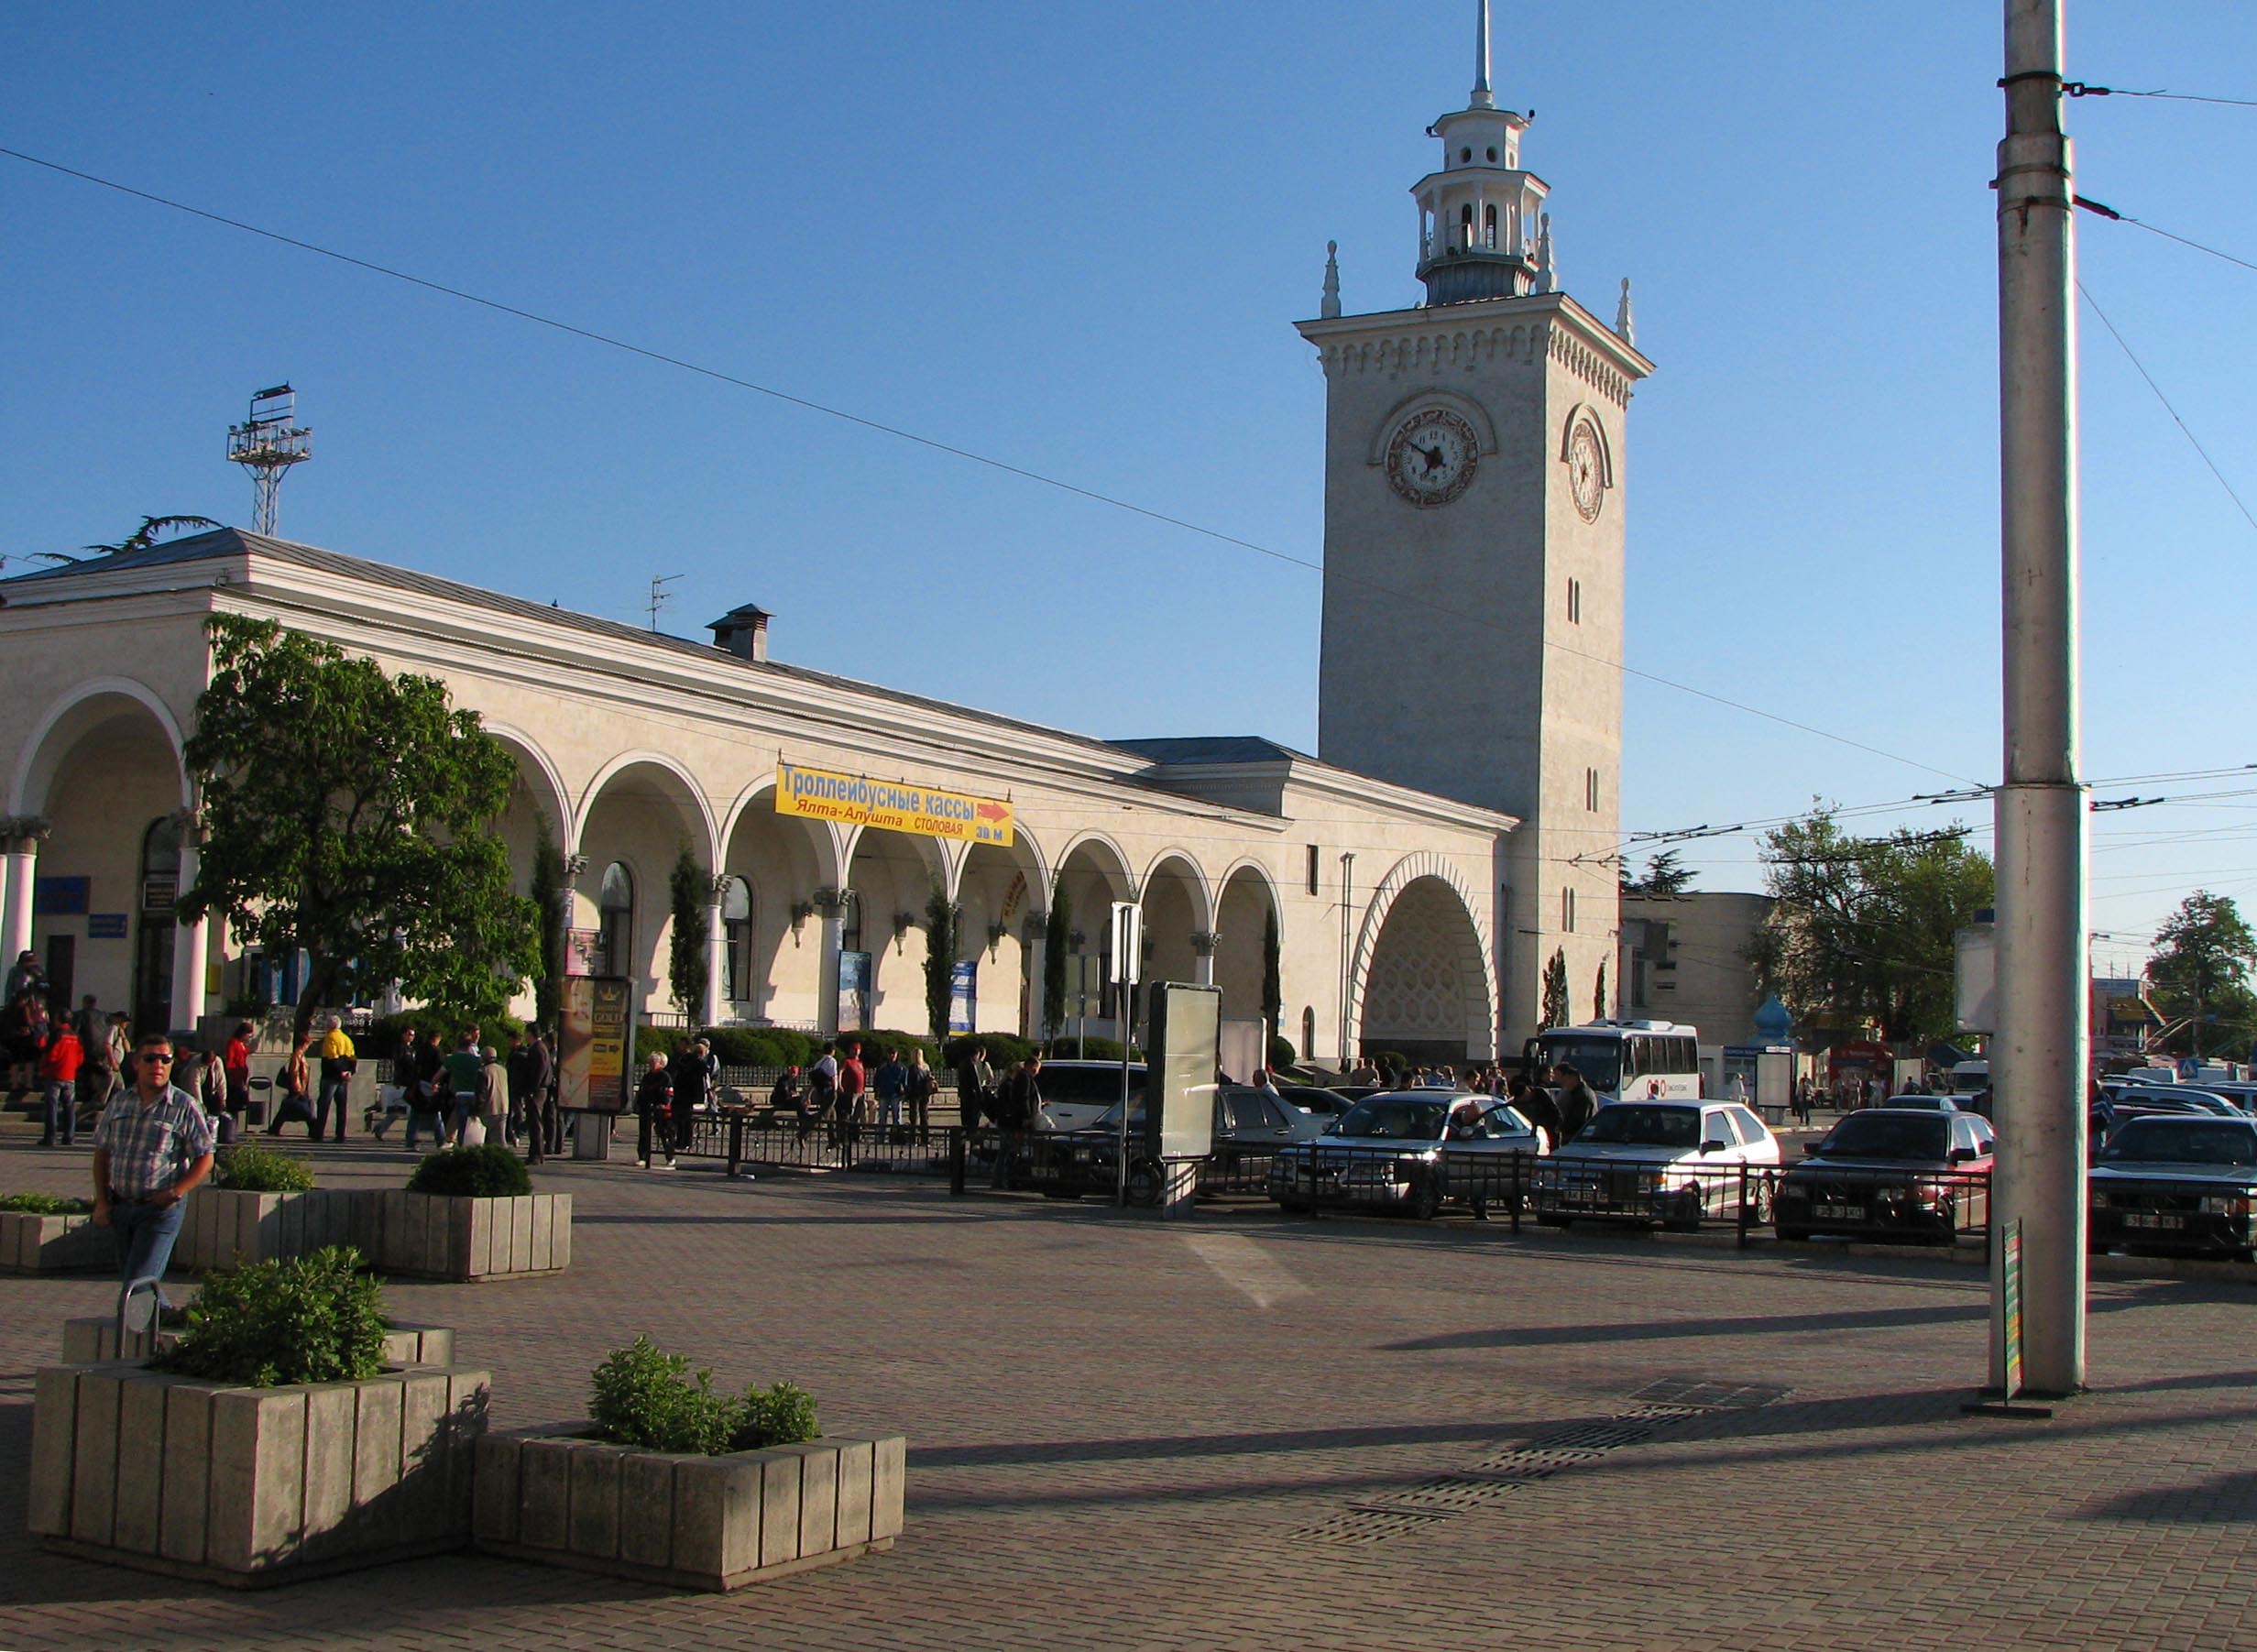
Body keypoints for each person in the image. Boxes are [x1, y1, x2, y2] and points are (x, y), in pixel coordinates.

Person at [91, 1033, 216, 1307]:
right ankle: (169, 1320)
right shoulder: (120, 1102)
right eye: (150, 1059)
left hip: (160, 1210)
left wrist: (176, 1192)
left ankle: (137, 1342)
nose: (157, 1065)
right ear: (136, 1063)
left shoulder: (184, 1106)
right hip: (122, 1207)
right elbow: (102, 1153)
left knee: (137, 1285)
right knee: (136, 1283)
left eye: (165, 1059)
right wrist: (101, 1201)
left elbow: (206, 1156)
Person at [992, 1054, 1042, 1189]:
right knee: (1010, 1150)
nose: (1038, 1072)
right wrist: (1026, 1117)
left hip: (1014, 1120)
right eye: (1037, 1068)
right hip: (1016, 1122)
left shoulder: (1022, 1078)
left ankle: (1005, 1178)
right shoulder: (1024, 1078)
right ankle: (1008, 1178)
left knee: (1009, 1150)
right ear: (1032, 1067)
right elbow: (1023, 1099)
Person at [38, 1014, 82, 1148]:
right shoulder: (76, 1036)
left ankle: (50, 1137)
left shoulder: (56, 1035)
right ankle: (69, 1137)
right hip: (70, 1075)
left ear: (58, 1020)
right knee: (69, 1107)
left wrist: (44, 1068)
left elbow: (50, 1055)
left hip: (55, 1074)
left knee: (52, 1106)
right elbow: (80, 1057)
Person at [670, 1037, 717, 1156]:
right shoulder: (699, 1062)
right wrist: (707, 1091)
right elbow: (705, 1077)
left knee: (681, 1119)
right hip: (691, 1093)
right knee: (687, 1119)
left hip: (681, 1092)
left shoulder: (683, 1059)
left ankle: (680, 1140)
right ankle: (686, 1141)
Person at [315, 1013, 357, 1142]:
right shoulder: (346, 1039)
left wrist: (340, 1071)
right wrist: (349, 1071)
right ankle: (340, 1135)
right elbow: (353, 1058)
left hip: (330, 1076)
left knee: (324, 1105)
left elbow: (332, 1058)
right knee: (341, 1107)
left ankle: (319, 1134)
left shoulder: (330, 1038)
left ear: (329, 1026)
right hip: (343, 1079)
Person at [268, 1036, 319, 1135]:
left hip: (301, 1085)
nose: (307, 1047)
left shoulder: (300, 1055)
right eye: (307, 1044)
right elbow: (294, 1071)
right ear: (303, 1044)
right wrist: (297, 1086)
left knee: (289, 1108)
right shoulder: (297, 1055)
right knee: (303, 1108)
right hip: (298, 1086)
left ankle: (274, 1128)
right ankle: (313, 1130)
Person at [442, 1030, 485, 1145]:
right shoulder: (476, 1060)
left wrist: (433, 1084)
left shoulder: (452, 1059)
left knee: (461, 1123)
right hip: (474, 1094)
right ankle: (473, 1143)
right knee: (474, 1120)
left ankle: (460, 1144)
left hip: (460, 1093)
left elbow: (439, 1074)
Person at [634, 1049, 675, 1168]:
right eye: (650, 1062)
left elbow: (669, 1092)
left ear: (661, 1063)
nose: (651, 1064)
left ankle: (670, 1156)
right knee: (644, 1133)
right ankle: (643, 1157)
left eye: (654, 1062)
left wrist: (664, 1104)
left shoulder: (665, 1076)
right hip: (646, 1107)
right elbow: (642, 1091)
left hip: (660, 1108)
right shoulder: (646, 1076)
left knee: (664, 1133)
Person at [1506, 1071, 1563, 1154]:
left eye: (1524, 1097)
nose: (1525, 1100)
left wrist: (1557, 1127)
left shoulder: (1541, 1094)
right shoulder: (1517, 1102)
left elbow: (1555, 1112)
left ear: (1527, 1091)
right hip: (1530, 1130)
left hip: (1550, 1128)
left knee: (1553, 1152)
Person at [472, 1045, 509, 1147]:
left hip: (489, 1109)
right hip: (503, 1107)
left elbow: (481, 1094)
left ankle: (502, 1158)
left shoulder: (483, 1071)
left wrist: (476, 1111)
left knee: (495, 1141)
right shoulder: (503, 1070)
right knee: (499, 1137)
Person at [952, 1042, 992, 1135]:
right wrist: (980, 1094)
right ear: (976, 1055)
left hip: (963, 1093)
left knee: (965, 1116)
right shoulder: (971, 1065)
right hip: (972, 1095)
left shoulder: (962, 1063)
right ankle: (972, 1133)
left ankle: (965, 1131)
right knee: (973, 1117)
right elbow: (975, 1081)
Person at [1554, 1062, 1598, 1143]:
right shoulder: (1578, 1092)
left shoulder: (1582, 1095)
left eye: (1566, 1080)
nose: (1564, 1084)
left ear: (1573, 1079)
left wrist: (1561, 1128)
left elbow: (1578, 1119)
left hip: (1577, 1136)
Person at [904, 1047, 938, 1138]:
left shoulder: (924, 1067)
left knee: (924, 1115)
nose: (917, 1056)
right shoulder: (913, 1067)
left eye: (918, 1054)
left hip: (923, 1093)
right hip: (915, 1093)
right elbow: (908, 1081)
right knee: (914, 1116)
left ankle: (924, 1137)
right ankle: (914, 1137)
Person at [872, 1046, 908, 1132]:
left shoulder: (901, 1067)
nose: (892, 1056)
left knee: (897, 1118)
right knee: (882, 1118)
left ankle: (896, 1137)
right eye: (890, 1054)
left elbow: (905, 1081)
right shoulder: (882, 1067)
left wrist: (905, 1094)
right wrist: (876, 1091)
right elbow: (876, 1080)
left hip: (896, 1095)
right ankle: (881, 1137)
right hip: (884, 1094)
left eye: (894, 1054)